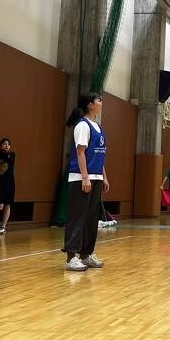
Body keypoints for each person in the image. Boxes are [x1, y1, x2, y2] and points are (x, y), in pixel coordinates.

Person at [62, 93, 110, 271]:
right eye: (99, 100)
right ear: (90, 105)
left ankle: (86, 254)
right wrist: (85, 177)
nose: (102, 102)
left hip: (96, 178)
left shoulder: (98, 127)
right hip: (81, 178)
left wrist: (104, 176)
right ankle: (71, 258)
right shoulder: (83, 126)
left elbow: (98, 155)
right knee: (77, 217)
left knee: (91, 219)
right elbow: (80, 152)